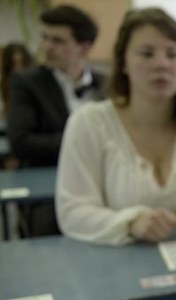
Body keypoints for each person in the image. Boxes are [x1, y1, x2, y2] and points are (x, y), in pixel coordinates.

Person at [56, 6, 176, 256]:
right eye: (146, 54)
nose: (161, 64)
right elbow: (73, 212)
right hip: (116, 273)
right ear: (123, 63)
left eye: (172, 54)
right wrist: (131, 223)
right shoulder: (90, 124)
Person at [7, 5, 105, 236]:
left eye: (58, 41)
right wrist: (81, 144)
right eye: (45, 38)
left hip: (102, 178)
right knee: (49, 225)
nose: (47, 47)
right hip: (51, 179)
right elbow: (21, 142)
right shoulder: (26, 82)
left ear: (84, 47)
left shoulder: (107, 85)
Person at [1, 43, 34, 170]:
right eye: (13, 64)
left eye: (22, 63)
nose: (17, 69)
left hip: (29, 159)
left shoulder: (36, 91)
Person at [1, 43, 34, 117]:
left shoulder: (36, 83)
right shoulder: (5, 83)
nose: (17, 69)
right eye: (13, 64)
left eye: (20, 63)